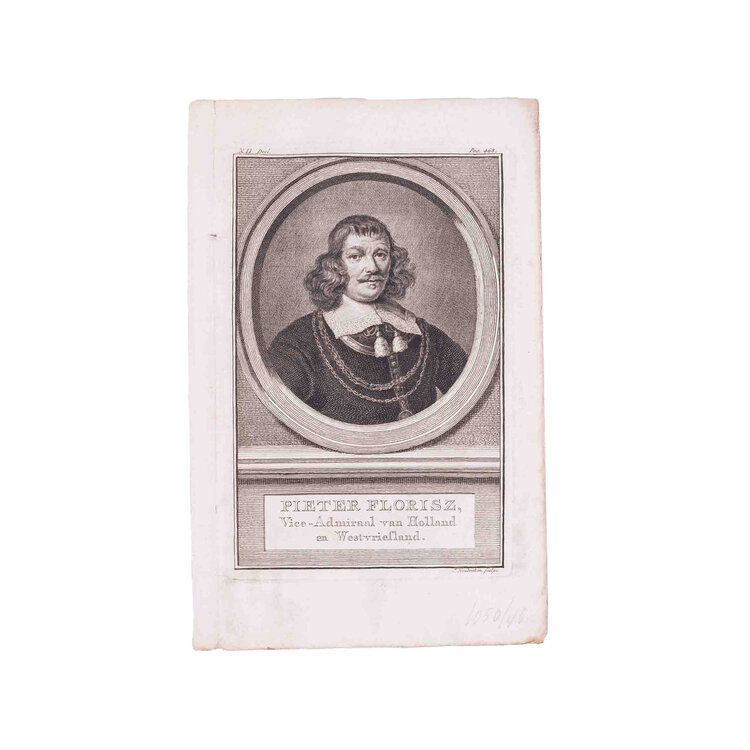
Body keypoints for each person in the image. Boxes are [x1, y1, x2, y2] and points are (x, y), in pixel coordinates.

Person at [268, 215, 468, 425]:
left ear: (392, 262)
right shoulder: (297, 344)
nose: (372, 267)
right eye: (356, 256)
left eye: (380, 254)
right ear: (336, 265)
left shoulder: (425, 336)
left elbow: (470, 401)